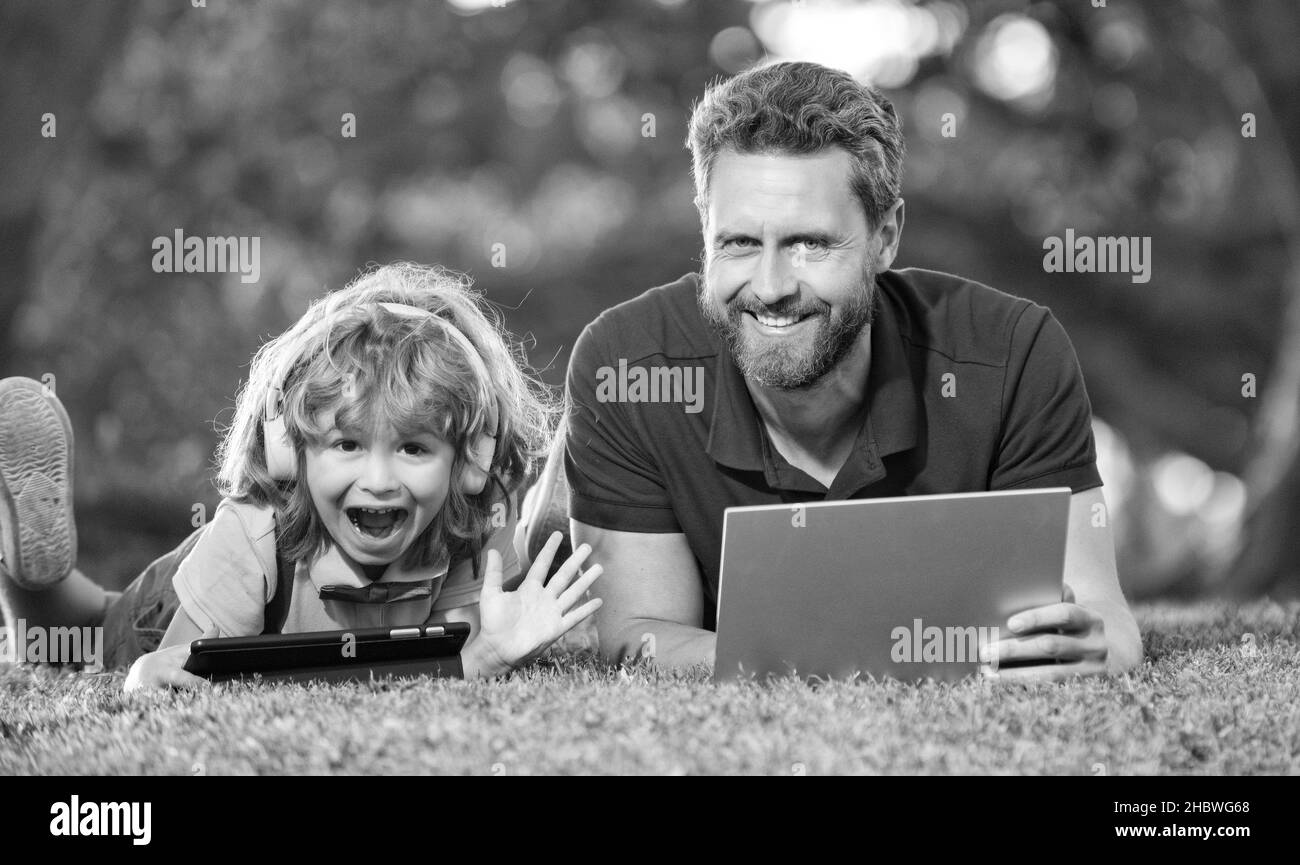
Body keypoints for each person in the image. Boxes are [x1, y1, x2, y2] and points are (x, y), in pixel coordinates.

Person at [563, 61, 1142, 681]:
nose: (771, 286)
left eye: (810, 243)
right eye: (738, 244)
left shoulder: (1013, 353)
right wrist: (847, 658)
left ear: (886, 236)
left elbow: (1104, 619)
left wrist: (1092, 648)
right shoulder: (624, 365)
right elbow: (636, 637)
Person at [0, 263, 602, 690]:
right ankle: (28, 565)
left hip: (264, 614)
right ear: (290, 449)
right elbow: (182, 684)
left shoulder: (470, 526)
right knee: (73, 635)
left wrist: (490, 651)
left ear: (468, 463)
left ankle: (31, 561)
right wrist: (149, 675)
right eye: (346, 443)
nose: (380, 480)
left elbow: (440, 672)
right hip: (174, 607)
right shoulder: (255, 534)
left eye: (414, 448)